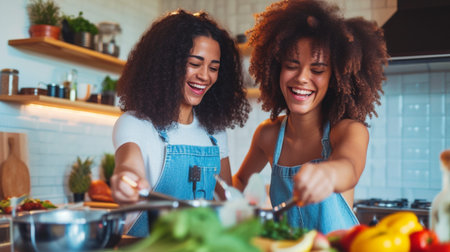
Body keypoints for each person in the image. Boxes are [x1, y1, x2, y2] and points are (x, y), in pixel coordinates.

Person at [233, 0, 388, 234]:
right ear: (276, 69)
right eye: (292, 65)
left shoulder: (348, 130)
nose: (302, 78)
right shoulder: (268, 135)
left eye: (317, 70)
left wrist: (328, 173)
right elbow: (240, 181)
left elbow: (349, 167)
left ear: (334, 78)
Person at [111, 9, 250, 237]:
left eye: (213, 68)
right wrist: (125, 179)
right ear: (167, 64)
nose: (205, 76)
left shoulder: (215, 133)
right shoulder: (135, 124)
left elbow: (226, 199)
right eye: (195, 63)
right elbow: (128, 166)